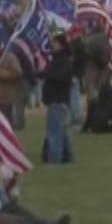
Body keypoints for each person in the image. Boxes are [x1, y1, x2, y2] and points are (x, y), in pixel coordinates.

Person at [40, 35, 76, 165]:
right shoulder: (56, 59)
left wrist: (47, 74)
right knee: (61, 129)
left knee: (54, 132)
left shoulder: (64, 61)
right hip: (55, 98)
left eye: (54, 43)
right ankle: (68, 155)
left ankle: (54, 159)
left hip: (58, 98)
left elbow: (62, 78)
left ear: (61, 44)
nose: (52, 45)